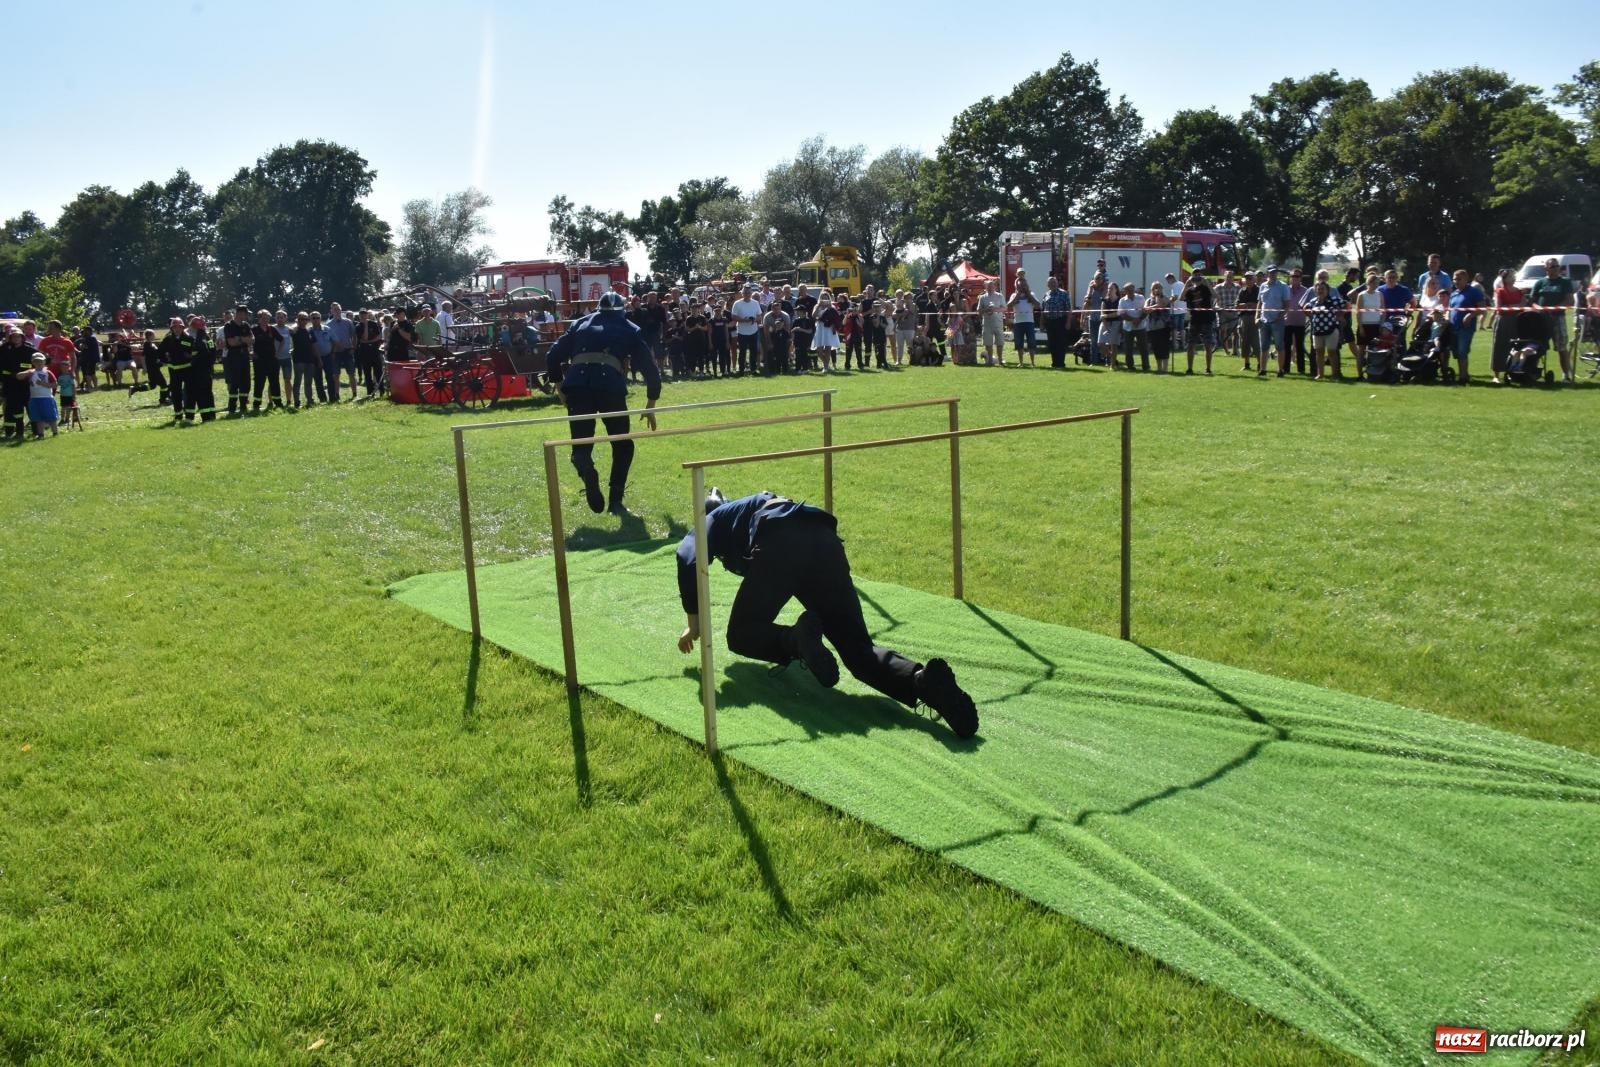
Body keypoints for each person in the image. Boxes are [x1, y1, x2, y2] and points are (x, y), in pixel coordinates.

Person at [675, 489, 979, 740]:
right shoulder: (750, 507)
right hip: (823, 539)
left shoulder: (713, 518)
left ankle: (796, 639)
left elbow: (685, 555)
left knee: (740, 634)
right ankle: (922, 681)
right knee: (858, 651)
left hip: (781, 540)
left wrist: (694, 623)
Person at [546, 291, 661, 515]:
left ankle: (587, 469)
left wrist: (560, 389)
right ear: (622, 310)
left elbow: (552, 356)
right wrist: (650, 405)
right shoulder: (629, 328)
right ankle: (616, 501)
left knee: (580, 447)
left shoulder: (580, 324)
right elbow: (650, 369)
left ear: (598, 309)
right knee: (622, 445)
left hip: (578, 387)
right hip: (610, 388)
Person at [1528, 257, 1578, 382]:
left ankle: (1566, 375)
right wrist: (1539, 308)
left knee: (1561, 347)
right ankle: (1532, 372)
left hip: (1557, 318)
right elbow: (1532, 301)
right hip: (1541, 320)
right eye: (1552, 267)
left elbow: (1569, 300)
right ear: (1546, 269)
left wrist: (1554, 309)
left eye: (1557, 266)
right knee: (1537, 347)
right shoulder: (1540, 282)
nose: (1556, 269)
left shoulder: (1565, 282)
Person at [1445, 269, 1485, 384]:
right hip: (1453, 327)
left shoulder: (1474, 292)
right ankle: (1463, 374)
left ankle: (1463, 377)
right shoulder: (1454, 293)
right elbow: (1450, 309)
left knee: (1463, 352)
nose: (1456, 281)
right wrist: (1447, 318)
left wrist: (1470, 315)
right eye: (1454, 279)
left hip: (1466, 328)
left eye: (1459, 279)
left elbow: (1482, 308)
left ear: (1466, 279)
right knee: (1457, 352)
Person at [1256, 266, 1291, 376]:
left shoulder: (1283, 286)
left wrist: (1280, 317)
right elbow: (1259, 303)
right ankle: (1263, 369)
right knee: (1264, 346)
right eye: (1271, 273)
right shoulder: (1262, 286)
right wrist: (1256, 317)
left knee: (1279, 346)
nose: (1273, 274)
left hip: (1277, 321)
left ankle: (1280, 370)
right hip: (1263, 321)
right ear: (1267, 274)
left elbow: (1287, 305)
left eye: (1275, 272)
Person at [2, 327, 36, 440]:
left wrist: (28, 372)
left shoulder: (29, 350)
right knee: (12, 410)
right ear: (10, 338)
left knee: (30, 407)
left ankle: (36, 431)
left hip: (26, 385)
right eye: (13, 336)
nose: (16, 338)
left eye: (18, 336)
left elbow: (44, 361)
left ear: (22, 337)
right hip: (10, 384)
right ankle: (10, 432)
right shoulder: (5, 349)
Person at [1181, 267, 1216, 375]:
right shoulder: (1190, 290)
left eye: (1198, 275)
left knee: (1207, 345)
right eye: (1194, 275)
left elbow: (1215, 296)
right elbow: (1181, 298)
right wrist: (1186, 284)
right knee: (1191, 344)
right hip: (1194, 320)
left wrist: (1206, 283)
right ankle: (1189, 368)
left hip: (1206, 319)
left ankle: (1208, 368)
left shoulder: (1206, 288)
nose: (1197, 277)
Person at [220, 305, 253, 416]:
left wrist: (239, 338)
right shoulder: (229, 326)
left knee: (246, 383)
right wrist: (244, 340)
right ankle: (232, 408)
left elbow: (252, 340)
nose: (247, 316)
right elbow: (231, 343)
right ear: (240, 313)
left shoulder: (246, 325)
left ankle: (243, 406)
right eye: (246, 313)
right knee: (234, 384)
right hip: (233, 358)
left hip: (244, 357)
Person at [251, 309, 284, 412]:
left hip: (272, 360)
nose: (266, 320)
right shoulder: (254, 330)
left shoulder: (272, 329)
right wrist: (251, 351)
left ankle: (278, 403)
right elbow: (248, 341)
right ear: (259, 318)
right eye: (264, 318)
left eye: (268, 318)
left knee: (274, 382)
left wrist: (277, 353)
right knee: (259, 382)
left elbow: (282, 340)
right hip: (259, 361)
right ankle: (256, 404)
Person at [326, 302, 358, 401]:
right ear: (331, 311)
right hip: (336, 353)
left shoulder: (348, 322)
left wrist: (353, 348)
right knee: (336, 375)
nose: (337, 311)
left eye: (338, 309)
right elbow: (329, 340)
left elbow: (354, 336)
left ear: (341, 310)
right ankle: (336, 395)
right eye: (335, 309)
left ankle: (355, 394)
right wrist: (332, 351)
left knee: (351, 373)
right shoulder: (328, 324)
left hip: (348, 351)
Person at [1008, 270, 1040, 366]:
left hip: (1029, 322)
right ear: (1016, 286)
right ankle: (1021, 362)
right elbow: (1009, 305)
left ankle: (1032, 362)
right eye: (1020, 285)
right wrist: (1018, 294)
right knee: (1019, 343)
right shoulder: (1014, 295)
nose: (1022, 286)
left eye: (1023, 285)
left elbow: (1038, 305)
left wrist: (1028, 294)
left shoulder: (1032, 294)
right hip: (1018, 322)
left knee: (1031, 343)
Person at [1040, 276, 1072, 369]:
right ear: (1047, 285)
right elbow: (1043, 310)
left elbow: (1068, 309)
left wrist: (1068, 322)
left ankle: (1061, 363)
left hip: (1061, 321)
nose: (1053, 284)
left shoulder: (1064, 294)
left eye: (1054, 282)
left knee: (1060, 343)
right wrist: (1042, 323)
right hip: (1049, 322)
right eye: (1050, 283)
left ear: (1057, 283)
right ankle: (1054, 363)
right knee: (1052, 343)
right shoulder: (1046, 295)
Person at [1144, 282, 1172, 373]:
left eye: (1158, 288)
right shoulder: (1148, 300)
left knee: (1164, 347)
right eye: (1154, 288)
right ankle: (1159, 367)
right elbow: (1145, 310)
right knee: (1156, 348)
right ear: (1151, 290)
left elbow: (1160, 305)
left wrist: (1157, 297)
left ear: (1161, 289)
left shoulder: (1166, 298)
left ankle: (1165, 368)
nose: (1156, 290)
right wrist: (1153, 307)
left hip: (1164, 326)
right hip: (1152, 327)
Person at [977, 280, 1007, 366]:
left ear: (995, 287)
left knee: (1000, 342)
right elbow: (978, 311)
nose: (990, 288)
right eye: (988, 286)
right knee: (988, 343)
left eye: (992, 286)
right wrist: (986, 309)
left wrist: (995, 309)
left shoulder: (1000, 296)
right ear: (986, 287)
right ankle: (989, 360)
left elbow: (1004, 308)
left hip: (998, 322)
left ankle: (1000, 360)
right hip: (987, 323)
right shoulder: (982, 297)